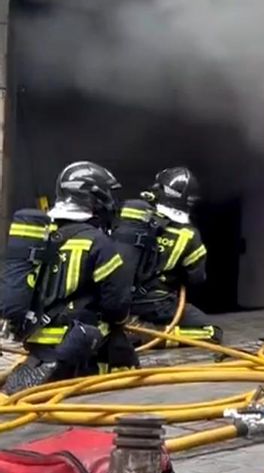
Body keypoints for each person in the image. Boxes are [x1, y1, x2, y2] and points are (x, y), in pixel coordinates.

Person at [0, 161, 134, 393]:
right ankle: (67, 372)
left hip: (34, 337)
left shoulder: (39, 233)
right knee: (124, 360)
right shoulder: (98, 242)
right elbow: (116, 304)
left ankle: (43, 367)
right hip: (75, 340)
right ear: (94, 197)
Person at [126, 167, 221, 346]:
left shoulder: (133, 219)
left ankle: (132, 329)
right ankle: (151, 335)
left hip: (120, 299)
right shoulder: (189, 235)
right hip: (158, 304)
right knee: (212, 332)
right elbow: (196, 278)